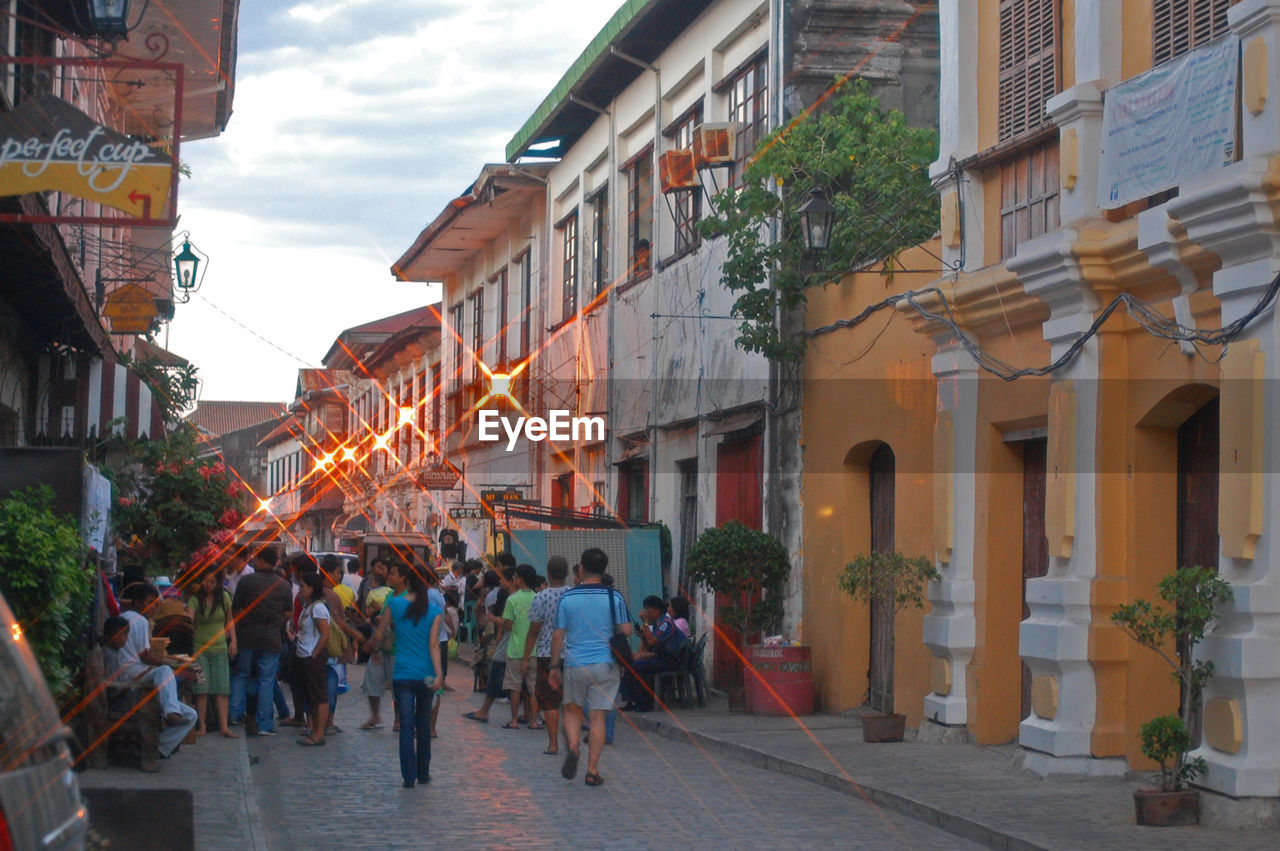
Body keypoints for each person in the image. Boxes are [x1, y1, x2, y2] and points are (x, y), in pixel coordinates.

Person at [547, 548, 631, 787]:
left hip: (575, 664)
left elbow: (557, 636)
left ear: (581, 568)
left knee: (572, 709)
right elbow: (625, 630)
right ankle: (592, 770)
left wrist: (554, 666)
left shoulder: (568, 599)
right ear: (604, 570)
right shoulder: (615, 598)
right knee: (598, 717)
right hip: (605, 664)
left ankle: (573, 746)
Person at [367, 562, 443, 788]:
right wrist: (439, 674)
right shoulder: (435, 611)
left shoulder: (395, 604)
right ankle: (423, 772)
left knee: (406, 726)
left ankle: (408, 776)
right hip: (427, 674)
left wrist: (373, 649)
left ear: (407, 582)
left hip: (402, 673)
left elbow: (380, 634)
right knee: (424, 725)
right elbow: (433, 646)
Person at [103, 584, 198, 759]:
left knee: (191, 715)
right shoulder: (140, 621)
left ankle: (158, 747)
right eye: (149, 602)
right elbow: (145, 655)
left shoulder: (123, 618)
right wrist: (168, 665)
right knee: (164, 671)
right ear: (138, 603)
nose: (154, 606)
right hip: (131, 677)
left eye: (155, 603)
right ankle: (170, 713)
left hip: (133, 673)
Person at [230, 557, 293, 736]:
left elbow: (236, 609)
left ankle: (234, 714)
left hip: (247, 637)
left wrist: (243, 624)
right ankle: (265, 724)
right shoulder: (283, 585)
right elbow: (288, 613)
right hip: (271, 639)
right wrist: (276, 625)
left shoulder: (246, 581)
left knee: (241, 675)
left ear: (260, 562)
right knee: (267, 680)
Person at [524, 555, 571, 754]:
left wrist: (526, 657)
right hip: (573, 654)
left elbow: (534, 629)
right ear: (567, 573)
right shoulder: (573, 594)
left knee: (550, 701)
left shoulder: (541, 597)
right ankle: (572, 740)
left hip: (546, 653)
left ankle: (553, 744)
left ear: (549, 574)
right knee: (570, 700)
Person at [184, 568, 237, 737]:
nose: (209, 585)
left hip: (220, 647)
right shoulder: (194, 600)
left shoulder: (225, 598)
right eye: (206, 581)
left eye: (212, 581)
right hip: (200, 648)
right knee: (201, 688)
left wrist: (234, 641)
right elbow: (189, 620)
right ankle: (203, 726)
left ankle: (224, 726)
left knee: (222, 688)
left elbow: (230, 621)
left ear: (218, 582)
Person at [620, 595, 685, 712]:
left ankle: (645, 702)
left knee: (639, 666)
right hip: (661, 657)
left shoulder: (666, 623)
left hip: (671, 660)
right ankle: (631, 700)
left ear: (657, 610)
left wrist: (645, 624)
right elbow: (650, 645)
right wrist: (642, 635)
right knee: (628, 664)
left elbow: (652, 641)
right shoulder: (656, 624)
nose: (645, 613)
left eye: (647, 610)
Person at [293, 572, 331, 746]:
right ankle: (315, 729)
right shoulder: (308, 606)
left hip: (312, 657)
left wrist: (315, 653)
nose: (300, 589)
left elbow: (325, 634)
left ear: (312, 588)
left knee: (319, 696)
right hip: (305, 656)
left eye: (303, 586)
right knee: (312, 697)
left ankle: (319, 733)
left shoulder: (318, 608)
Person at [501, 563, 539, 729]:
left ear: (521, 580)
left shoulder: (512, 600)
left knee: (514, 686)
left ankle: (514, 720)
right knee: (533, 687)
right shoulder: (538, 597)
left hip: (516, 649)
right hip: (535, 650)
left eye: (515, 576)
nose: (513, 579)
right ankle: (533, 721)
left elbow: (508, 625)